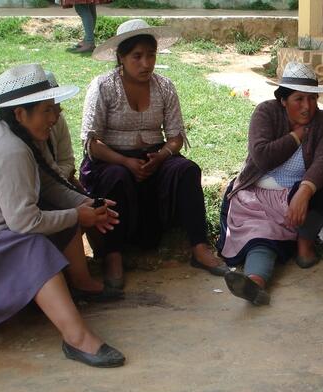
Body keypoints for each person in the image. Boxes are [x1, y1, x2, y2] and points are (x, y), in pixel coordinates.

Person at [0, 63, 125, 367]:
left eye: (55, 108)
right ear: (21, 114)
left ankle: (69, 292)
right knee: (31, 247)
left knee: (61, 218)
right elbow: (24, 223)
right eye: (47, 110)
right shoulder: (8, 150)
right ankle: (77, 338)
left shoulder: (20, 136)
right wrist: (78, 216)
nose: (55, 117)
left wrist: (86, 206)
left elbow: (48, 183)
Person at [80, 19, 227, 290]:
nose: (146, 63)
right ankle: (113, 254)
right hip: (112, 160)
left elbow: (175, 137)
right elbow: (91, 142)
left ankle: (199, 246)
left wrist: (161, 156)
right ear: (121, 57)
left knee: (187, 170)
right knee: (116, 178)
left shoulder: (164, 87)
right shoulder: (103, 87)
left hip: (154, 158)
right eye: (137, 56)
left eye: (151, 55)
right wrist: (124, 160)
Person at [217, 62, 323, 305]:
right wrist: (296, 136)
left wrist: (303, 192)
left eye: (312, 99)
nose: (307, 107)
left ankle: (304, 243)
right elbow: (262, 155)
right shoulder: (266, 113)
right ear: (283, 100)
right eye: (299, 99)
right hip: (258, 193)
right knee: (261, 236)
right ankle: (255, 284)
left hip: (298, 194)